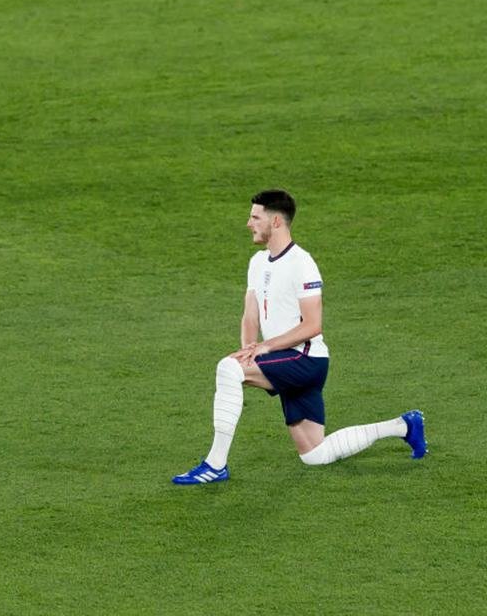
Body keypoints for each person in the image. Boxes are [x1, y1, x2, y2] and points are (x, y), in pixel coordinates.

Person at [172, 189, 426, 485]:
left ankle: (215, 465)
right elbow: (250, 315)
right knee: (314, 454)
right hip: (283, 358)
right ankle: (403, 426)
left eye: (255, 217)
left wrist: (263, 348)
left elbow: (313, 325)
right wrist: (248, 350)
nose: (248, 223)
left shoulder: (301, 264)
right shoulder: (257, 262)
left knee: (227, 368)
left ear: (276, 221)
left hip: (306, 360)